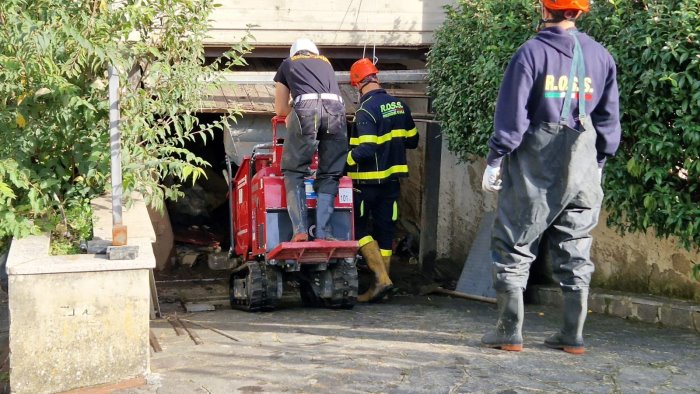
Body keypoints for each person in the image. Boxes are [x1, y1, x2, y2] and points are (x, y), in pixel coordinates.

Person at [480, 0, 621, 354]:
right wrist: (600, 162)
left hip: (535, 165)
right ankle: (572, 335)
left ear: (545, 9)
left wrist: (496, 158)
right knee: (575, 246)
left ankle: (509, 331)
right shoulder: (602, 56)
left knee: (513, 243)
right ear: (579, 12)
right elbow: (608, 118)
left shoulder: (530, 53)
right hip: (585, 167)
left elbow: (512, 118)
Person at [347, 58, 419, 302]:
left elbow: (366, 148)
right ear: (376, 77)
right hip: (392, 182)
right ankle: (383, 287)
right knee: (386, 230)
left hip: (366, 183)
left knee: (358, 228)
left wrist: (342, 162)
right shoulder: (400, 105)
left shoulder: (365, 110)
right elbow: (412, 140)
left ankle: (382, 280)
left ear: (357, 84)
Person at [274, 38, 348, 242]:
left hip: (306, 111)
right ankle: (323, 231)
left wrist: (292, 114)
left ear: (294, 53)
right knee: (330, 171)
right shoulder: (326, 62)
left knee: (294, 170)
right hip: (336, 111)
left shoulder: (287, 64)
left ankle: (300, 230)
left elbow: (280, 108)